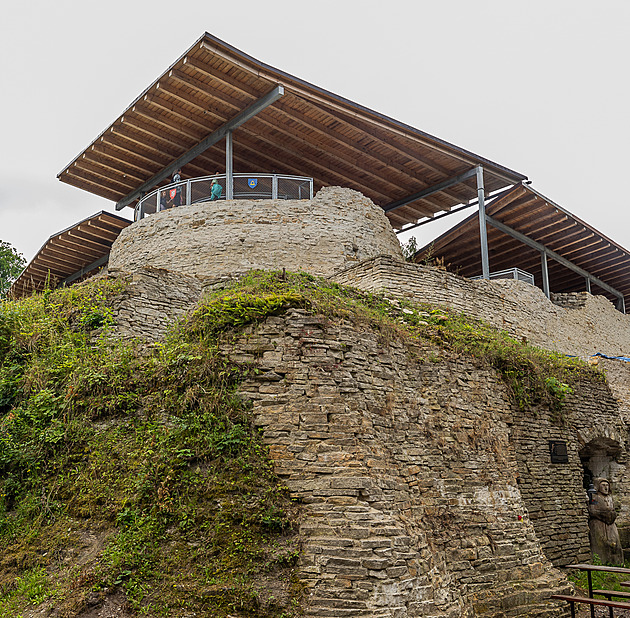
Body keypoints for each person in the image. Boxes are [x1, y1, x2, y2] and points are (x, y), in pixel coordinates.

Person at [588, 478, 623, 564]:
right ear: (598, 486)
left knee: (616, 545)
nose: (606, 487)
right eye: (603, 485)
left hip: (611, 525)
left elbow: (614, 509)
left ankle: (617, 562)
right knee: (601, 544)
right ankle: (602, 562)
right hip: (599, 525)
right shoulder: (594, 497)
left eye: (607, 485)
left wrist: (612, 514)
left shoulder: (610, 498)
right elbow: (592, 511)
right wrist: (605, 514)